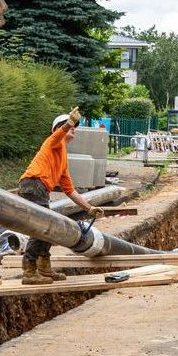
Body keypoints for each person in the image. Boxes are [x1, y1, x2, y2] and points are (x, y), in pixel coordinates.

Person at [16, 106, 104, 285]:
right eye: (66, 125)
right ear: (56, 129)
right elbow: (57, 136)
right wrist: (69, 122)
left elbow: (70, 190)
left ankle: (43, 267)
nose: (72, 127)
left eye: (72, 125)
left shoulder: (63, 157)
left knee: (49, 227)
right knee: (41, 228)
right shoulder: (53, 142)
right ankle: (29, 270)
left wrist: (89, 208)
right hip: (34, 184)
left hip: (38, 188)